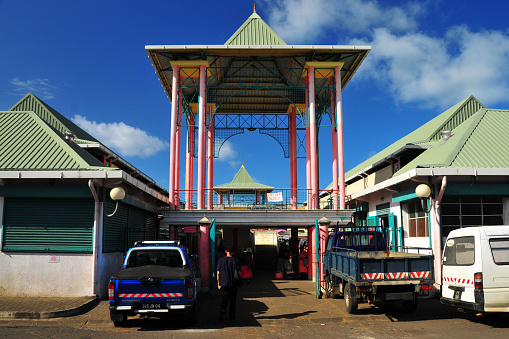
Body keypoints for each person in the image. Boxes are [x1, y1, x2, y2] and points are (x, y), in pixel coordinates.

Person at [216, 245, 241, 322]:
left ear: (226, 252)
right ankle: (232, 317)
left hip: (223, 283)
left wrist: (218, 283)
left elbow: (218, 273)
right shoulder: (236, 261)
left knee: (224, 300)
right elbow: (239, 272)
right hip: (233, 284)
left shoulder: (221, 260)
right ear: (233, 252)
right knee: (233, 301)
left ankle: (222, 313)